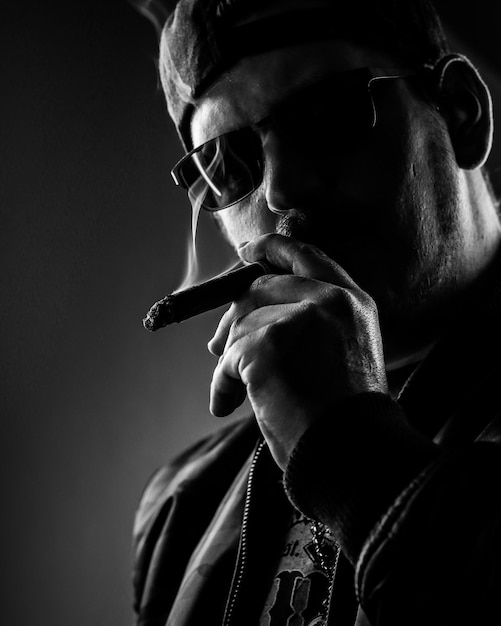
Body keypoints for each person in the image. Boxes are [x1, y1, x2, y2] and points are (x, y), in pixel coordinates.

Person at [131, 1, 501, 624]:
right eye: (232, 164)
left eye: (328, 116)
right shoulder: (181, 507)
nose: (280, 190)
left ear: (460, 113)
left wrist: (352, 457)